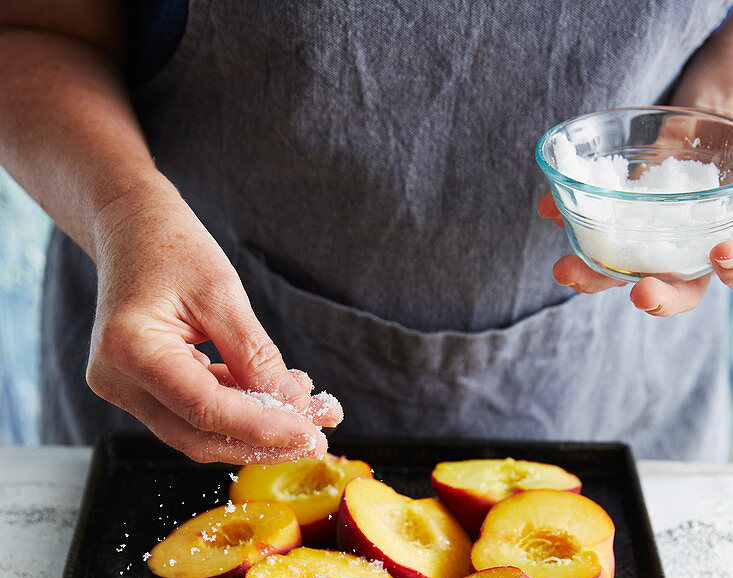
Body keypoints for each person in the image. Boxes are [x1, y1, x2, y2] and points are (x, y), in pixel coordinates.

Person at [0, 2, 732, 463]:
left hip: (612, 370)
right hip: (179, 347)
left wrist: (716, 112)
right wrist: (124, 211)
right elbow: (31, 28)